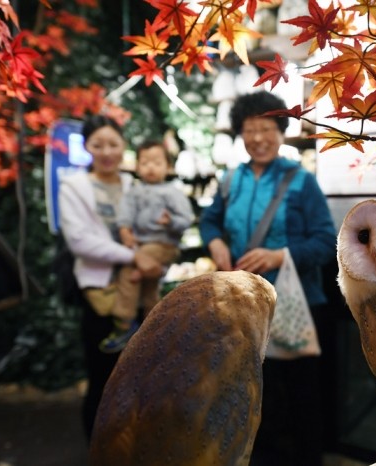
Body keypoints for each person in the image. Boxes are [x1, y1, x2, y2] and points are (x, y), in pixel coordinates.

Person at [199, 90, 337, 466]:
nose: (258, 138)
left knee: (300, 396)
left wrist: (280, 255)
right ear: (240, 133)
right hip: (244, 307)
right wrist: (215, 243)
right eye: (250, 129)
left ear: (280, 131)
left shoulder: (301, 181)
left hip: (294, 306)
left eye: (267, 128)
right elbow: (210, 220)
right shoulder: (230, 181)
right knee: (253, 393)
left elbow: (327, 242)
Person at [58, 114, 163, 441]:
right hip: (101, 293)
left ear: (124, 146)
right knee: (103, 375)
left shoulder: (134, 184)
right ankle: (99, 450)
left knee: (140, 375)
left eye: (113, 144)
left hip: (138, 286)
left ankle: (132, 449)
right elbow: (80, 241)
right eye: (97, 145)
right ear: (87, 147)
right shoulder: (74, 187)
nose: (106, 152)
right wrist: (133, 255)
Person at [98, 140, 194, 353]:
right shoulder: (134, 191)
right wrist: (124, 231)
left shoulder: (172, 192)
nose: (150, 167)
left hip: (163, 244)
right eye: (145, 162)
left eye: (157, 162)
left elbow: (186, 219)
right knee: (150, 290)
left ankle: (124, 322)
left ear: (168, 166)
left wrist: (171, 222)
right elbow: (124, 215)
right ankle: (153, 328)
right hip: (141, 245)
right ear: (137, 166)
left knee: (129, 272)